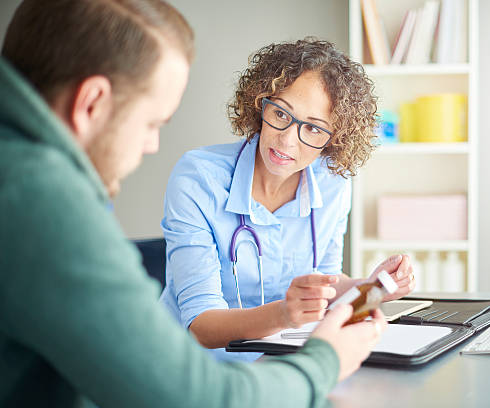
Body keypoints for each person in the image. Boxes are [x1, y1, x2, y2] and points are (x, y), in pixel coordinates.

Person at [0, 1, 387, 407]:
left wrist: (365, 287)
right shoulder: (41, 201)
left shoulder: (24, 171)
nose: (152, 146)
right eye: (152, 124)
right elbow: (199, 394)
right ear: (91, 103)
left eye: (312, 129)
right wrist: (325, 360)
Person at [160, 38, 416, 361]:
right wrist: (284, 314)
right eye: (281, 113)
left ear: (334, 139)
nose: (287, 139)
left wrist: (372, 285)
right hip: (190, 367)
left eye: (313, 129)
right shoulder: (198, 179)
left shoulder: (333, 183)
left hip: (278, 364)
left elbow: (324, 286)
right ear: (259, 102)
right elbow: (200, 326)